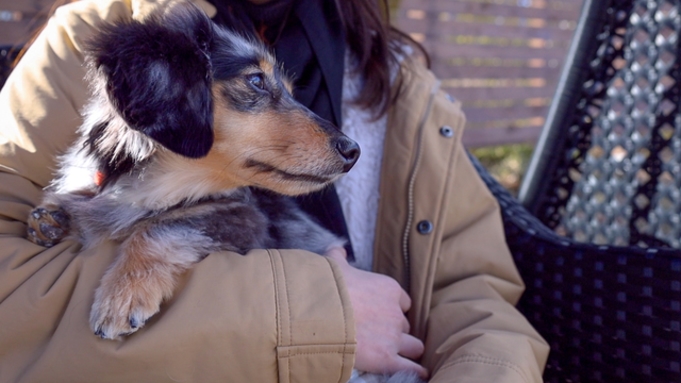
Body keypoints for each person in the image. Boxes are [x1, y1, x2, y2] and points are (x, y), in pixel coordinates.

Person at [0, 0, 549, 382]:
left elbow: (474, 293)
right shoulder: (100, 40)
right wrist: (312, 322)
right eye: (258, 88)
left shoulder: (401, 81)